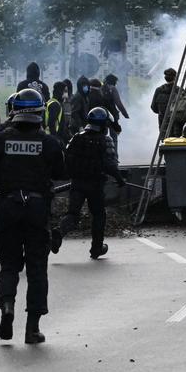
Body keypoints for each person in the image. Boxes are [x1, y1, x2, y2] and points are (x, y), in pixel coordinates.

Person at [0, 88, 66, 344]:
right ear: (39, 114)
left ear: (14, 112)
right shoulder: (49, 143)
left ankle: (7, 306)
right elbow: (61, 172)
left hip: (8, 207)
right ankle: (32, 329)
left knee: (9, 265)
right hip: (37, 210)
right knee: (37, 269)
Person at [52, 107, 125, 260]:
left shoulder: (77, 138)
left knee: (72, 214)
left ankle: (59, 232)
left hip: (77, 184)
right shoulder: (105, 140)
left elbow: (67, 160)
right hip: (95, 185)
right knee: (98, 215)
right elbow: (110, 164)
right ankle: (96, 248)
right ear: (103, 124)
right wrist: (119, 179)